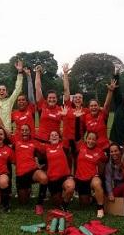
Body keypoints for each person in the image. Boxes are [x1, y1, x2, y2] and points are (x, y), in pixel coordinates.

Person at [0, 109, 48, 214]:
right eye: (23, 130)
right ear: (20, 131)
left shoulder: (34, 142)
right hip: (20, 175)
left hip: (33, 171)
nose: (24, 132)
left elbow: (48, 150)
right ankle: (27, 189)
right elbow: (2, 127)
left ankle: (39, 204)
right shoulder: (15, 140)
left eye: (26, 130)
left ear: (30, 132)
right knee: (23, 202)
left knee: (43, 178)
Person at [34, 65, 65, 204]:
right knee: (44, 168)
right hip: (42, 143)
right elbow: (38, 89)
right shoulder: (43, 106)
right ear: (47, 98)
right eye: (50, 97)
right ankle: (42, 195)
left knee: (53, 168)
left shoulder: (60, 109)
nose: (52, 99)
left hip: (55, 143)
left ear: (57, 99)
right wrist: (38, 73)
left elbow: (67, 124)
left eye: (54, 98)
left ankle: (53, 190)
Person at [74, 109, 108, 218]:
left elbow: (105, 161)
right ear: (86, 139)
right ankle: (93, 197)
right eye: (89, 139)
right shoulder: (81, 146)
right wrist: (77, 118)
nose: (91, 141)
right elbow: (77, 134)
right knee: (84, 203)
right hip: (80, 178)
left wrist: (100, 176)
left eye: (93, 139)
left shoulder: (99, 151)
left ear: (96, 141)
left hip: (92, 178)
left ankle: (100, 208)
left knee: (97, 183)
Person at [38, 131, 75, 211]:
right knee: (56, 202)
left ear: (60, 138)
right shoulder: (46, 147)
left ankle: (64, 207)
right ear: (49, 139)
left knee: (70, 187)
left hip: (64, 177)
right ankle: (60, 196)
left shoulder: (63, 145)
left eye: (56, 135)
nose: (54, 136)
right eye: (52, 135)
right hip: (53, 180)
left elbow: (68, 134)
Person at [61, 63, 88, 171]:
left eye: (79, 98)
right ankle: (68, 179)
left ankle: (77, 180)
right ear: (72, 99)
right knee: (67, 163)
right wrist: (66, 74)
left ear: (82, 100)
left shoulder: (86, 111)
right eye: (75, 97)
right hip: (67, 140)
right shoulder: (68, 107)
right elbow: (66, 89)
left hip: (78, 141)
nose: (77, 99)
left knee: (78, 162)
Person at [0, 60, 24, 133]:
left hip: (6, 131)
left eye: (3, 90)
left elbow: (18, 89)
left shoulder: (9, 101)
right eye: (0, 90)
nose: (1, 91)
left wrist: (20, 72)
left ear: (6, 93)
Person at [84, 78, 117, 152]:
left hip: (104, 147)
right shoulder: (86, 116)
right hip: (91, 146)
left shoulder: (103, 115)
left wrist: (110, 91)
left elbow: (107, 105)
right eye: (91, 106)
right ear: (89, 107)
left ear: (99, 106)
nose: (93, 107)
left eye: (95, 105)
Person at [104, 143, 124, 209]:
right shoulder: (109, 165)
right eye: (111, 152)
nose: (114, 153)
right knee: (107, 195)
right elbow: (108, 180)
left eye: (116, 151)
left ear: (120, 151)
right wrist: (110, 193)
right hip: (118, 188)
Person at [11, 67, 36, 140]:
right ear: (17, 102)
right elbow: (7, 124)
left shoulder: (30, 108)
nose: (21, 101)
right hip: (18, 142)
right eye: (19, 100)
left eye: (23, 100)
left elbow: (31, 93)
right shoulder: (14, 113)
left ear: (27, 102)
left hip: (31, 141)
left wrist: (29, 77)